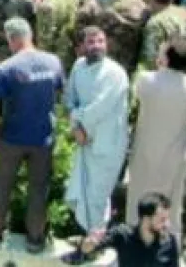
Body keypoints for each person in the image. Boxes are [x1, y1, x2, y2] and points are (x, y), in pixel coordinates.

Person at [0, 17, 64, 253]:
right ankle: (35, 239)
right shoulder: (54, 62)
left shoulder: (6, 68)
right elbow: (60, 92)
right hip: (42, 138)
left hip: (12, 138)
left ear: (12, 39)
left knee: (3, 186)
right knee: (38, 189)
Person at [64, 26, 132, 237]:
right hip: (84, 140)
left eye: (101, 41)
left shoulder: (115, 73)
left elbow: (99, 108)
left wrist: (78, 122)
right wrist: (76, 128)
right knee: (81, 193)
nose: (96, 46)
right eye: (91, 42)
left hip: (107, 144)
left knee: (97, 198)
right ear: (82, 46)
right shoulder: (78, 66)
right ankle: (89, 239)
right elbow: (68, 98)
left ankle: (93, 243)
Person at [126, 41, 186, 230]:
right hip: (174, 155)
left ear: (165, 58)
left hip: (145, 152)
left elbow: (138, 96)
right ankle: (168, 249)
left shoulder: (145, 79)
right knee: (172, 206)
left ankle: (134, 245)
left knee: (137, 200)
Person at [74, 192, 182, 266]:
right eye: (162, 220)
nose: (167, 224)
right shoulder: (122, 234)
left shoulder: (169, 242)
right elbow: (87, 248)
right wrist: (89, 243)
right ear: (146, 218)